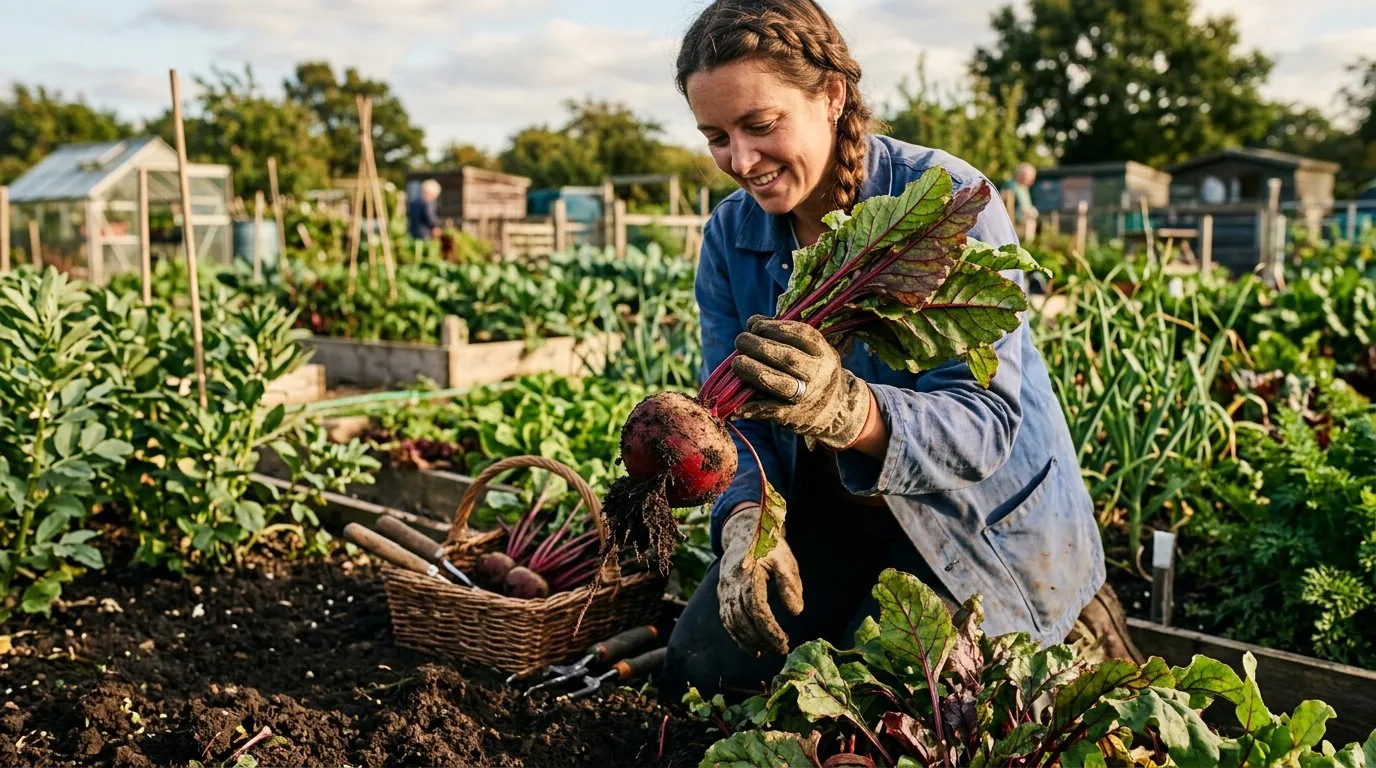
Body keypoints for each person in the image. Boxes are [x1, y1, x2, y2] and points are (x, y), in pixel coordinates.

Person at [661, 0, 1138, 700]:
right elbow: (736, 429)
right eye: (716, 137)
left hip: (961, 522)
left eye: (760, 126)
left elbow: (986, 430)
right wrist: (743, 522)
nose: (740, 161)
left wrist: (849, 410)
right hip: (827, 513)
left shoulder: (941, 202)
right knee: (701, 667)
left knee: (877, 698)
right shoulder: (731, 236)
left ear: (831, 95)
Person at [1005, 161, 1039, 226]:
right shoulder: (1010, 186)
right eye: (1030, 178)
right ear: (1021, 175)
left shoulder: (1024, 188)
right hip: (1012, 223)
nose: (1032, 181)